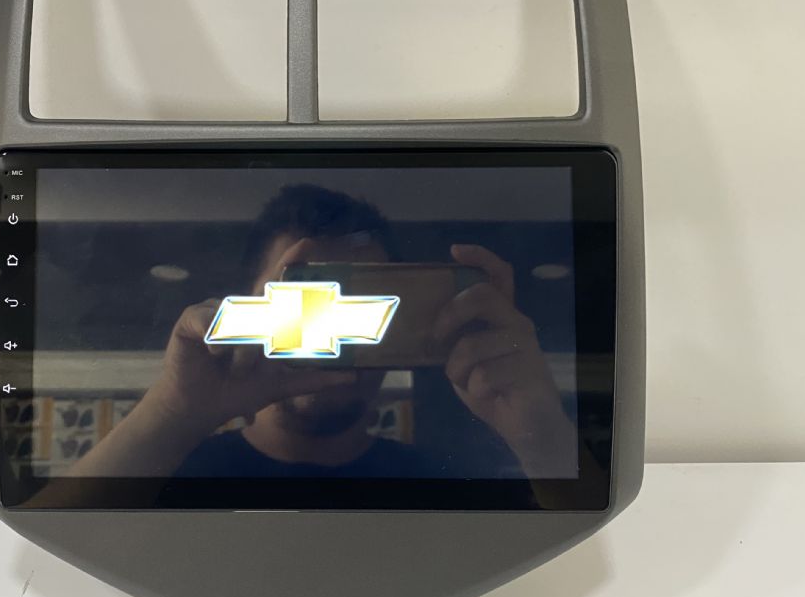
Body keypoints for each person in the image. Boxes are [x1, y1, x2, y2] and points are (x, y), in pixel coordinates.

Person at [62, 184, 578, 489]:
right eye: (304, 300)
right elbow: (45, 562)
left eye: (360, 307)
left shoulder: (438, 483)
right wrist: (172, 412)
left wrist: (542, 436)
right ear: (249, 308)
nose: (332, 331)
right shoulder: (169, 470)